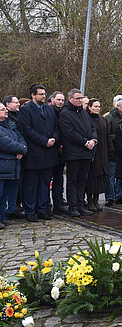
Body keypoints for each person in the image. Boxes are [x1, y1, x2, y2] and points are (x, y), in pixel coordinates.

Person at [18, 84, 60, 222]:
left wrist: (54, 138)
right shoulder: (26, 110)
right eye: (41, 94)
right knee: (31, 184)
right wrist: (44, 141)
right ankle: (30, 210)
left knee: (45, 183)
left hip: (49, 153)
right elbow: (27, 130)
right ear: (33, 95)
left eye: (44, 93)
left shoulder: (49, 109)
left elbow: (56, 126)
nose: (43, 96)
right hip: (34, 153)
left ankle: (43, 209)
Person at [59, 89, 97, 217]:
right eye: (78, 98)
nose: (80, 100)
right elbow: (69, 133)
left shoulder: (84, 113)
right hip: (73, 153)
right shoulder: (65, 113)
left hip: (86, 152)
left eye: (81, 98)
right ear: (70, 99)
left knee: (82, 180)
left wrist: (93, 140)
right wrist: (85, 142)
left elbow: (92, 128)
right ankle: (73, 206)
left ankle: (81, 204)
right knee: (72, 181)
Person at [0, 103, 27, 229]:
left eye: (5, 109)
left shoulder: (11, 126)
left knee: (5, 194)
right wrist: (21, 149)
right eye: (3, 109)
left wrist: (22, 149)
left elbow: (20, 139)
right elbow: (6, 143)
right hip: (3, 165)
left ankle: (2, 217)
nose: (6, 111)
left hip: (12, 165)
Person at [86, 99, 112, 211]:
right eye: (95, 106)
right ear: (89, 107)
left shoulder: (103, 120)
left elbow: (107, 135)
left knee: (101, 177)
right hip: (93, 152)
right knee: (92, 177)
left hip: (103, 152)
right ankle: (90, 200)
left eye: (99, 106)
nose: (97, 108)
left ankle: (96, 200)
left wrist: (110, 149)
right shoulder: (87, 119)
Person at [105, 97, 122, 206]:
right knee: (111, 176)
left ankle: (118, 196)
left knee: (119, 176)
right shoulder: (110, 117)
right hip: (113, 150)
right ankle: (110, 197)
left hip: (121, 151)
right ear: (118, 106)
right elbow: (107, 134)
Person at [50, 91, 67, 214]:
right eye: (58, 99)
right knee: (47, 179)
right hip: (50, 148)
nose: (60, 102)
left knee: (59, 178)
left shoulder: (64, 112)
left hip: (62, 151)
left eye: (62, 100)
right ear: (52, 100)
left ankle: (58, 202)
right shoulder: (49, 111)